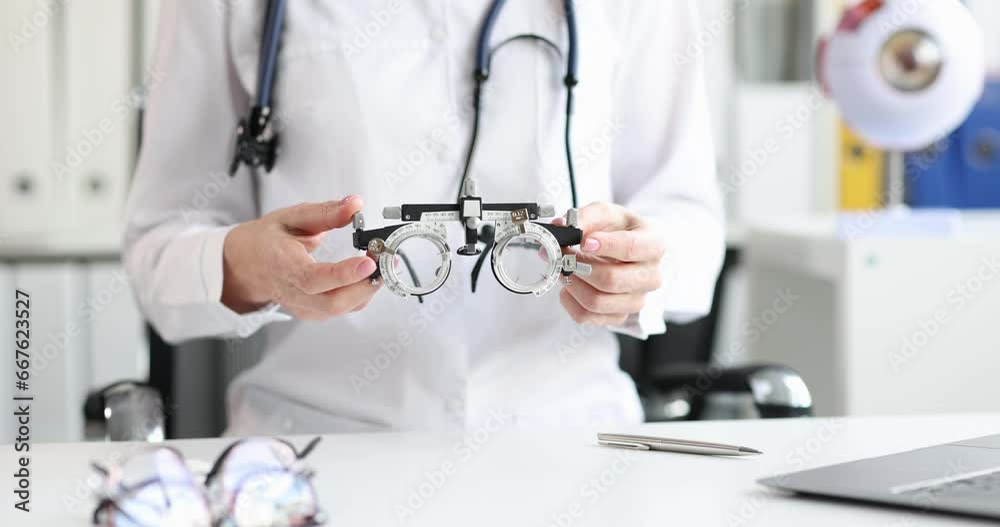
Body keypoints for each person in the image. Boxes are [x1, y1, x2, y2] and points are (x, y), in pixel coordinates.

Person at [124, 0, 724, 436]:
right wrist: (248, 269)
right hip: (319, 447)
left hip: (571, 445)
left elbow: (693, 227)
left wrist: (641, 269)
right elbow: (158, 250)